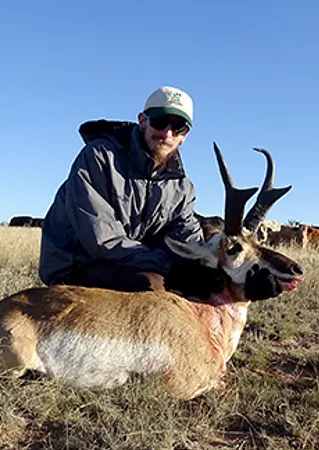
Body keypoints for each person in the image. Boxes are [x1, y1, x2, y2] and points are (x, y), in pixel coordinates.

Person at [38, 86, 227, 298]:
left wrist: (216, 270)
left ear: (185, 135)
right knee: (153, 286)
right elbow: (102, 239)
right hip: (76, 264)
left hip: (128, 263)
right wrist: (170, 268)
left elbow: (186, 240)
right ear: (142, 120)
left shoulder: (182, 187)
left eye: (178, 127)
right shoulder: (99, 157)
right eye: (159, 122)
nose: (167, 133)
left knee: (198, 286)